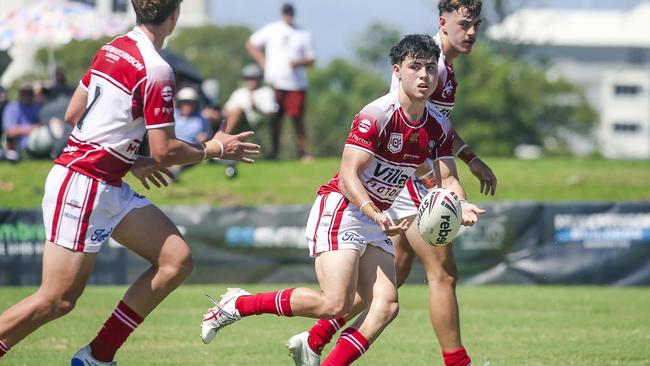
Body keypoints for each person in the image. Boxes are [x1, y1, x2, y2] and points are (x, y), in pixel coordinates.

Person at [0, 1, 260, 365]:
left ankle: (97, 356)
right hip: (84, 183)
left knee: (175, 259)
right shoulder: (157, 69)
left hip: (106, 180)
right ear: (174, 16)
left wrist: (130, 159)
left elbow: (74, 113)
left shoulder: (113, 48)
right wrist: (215, 147)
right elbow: (166, 150)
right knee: (56, 300)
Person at [200, 34, 484, 366]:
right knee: (334, 304)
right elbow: (349, 175)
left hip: (375, 216)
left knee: (386, 306)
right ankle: (237, 305)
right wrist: (372, 212)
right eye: (415, 67)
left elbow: (448, 178)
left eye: (429, 70)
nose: (424, 76)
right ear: (397, 71)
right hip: (343, 209)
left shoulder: (438, 126)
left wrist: (459, 203)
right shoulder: (376, 115)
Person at [287, 1, 496, 366]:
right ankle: (457, 363)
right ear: (442, 22)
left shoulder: (437, 66)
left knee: (392, 274)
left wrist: (470, 158)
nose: (472, 32)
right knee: (443, 273)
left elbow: (438, 128)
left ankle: (315, 339)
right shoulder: (429, 64)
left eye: (476, 24)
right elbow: (410, 132)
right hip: (408, 181)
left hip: (401, 181)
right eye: (465, 24)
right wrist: (442, 188)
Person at [246, 2, 315, 161]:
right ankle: (274, 151)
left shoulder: (303, 33)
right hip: (275, 81)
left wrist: (298, 63)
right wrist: (263, 62)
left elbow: (311, 59)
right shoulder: (272, 29)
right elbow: (251, 44)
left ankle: (303, 151)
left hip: (296, 83)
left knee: (297, 118)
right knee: (275, 118)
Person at [221, 63, 279, 178]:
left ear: (259, 79)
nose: (251, 81)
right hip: (233, 121)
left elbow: (272, 113)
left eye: (254, 78)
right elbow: (225, 110)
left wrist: (255, 106)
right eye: (248, 78)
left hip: (254, 122)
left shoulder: (266, 92)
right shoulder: (239, 93)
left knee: (238, 110)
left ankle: (222, 140)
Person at [169, 86, 213, 178]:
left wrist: (204, 138)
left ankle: (174, 171)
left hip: (192, 148)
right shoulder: (173, 115)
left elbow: (209, 136)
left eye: (190, 103)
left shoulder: (201, 118)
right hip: (172, 147)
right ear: (180, 103)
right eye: (185, 103)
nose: (187, 106)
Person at [1, 83, 41, 161]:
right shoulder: (12, 108)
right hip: (19, 145)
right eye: (24, 93)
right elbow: (10, 131)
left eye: (29, 93)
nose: (27, 95)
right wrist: (33, 128)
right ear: (20, 94)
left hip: (37, 139)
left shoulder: (37, 106)